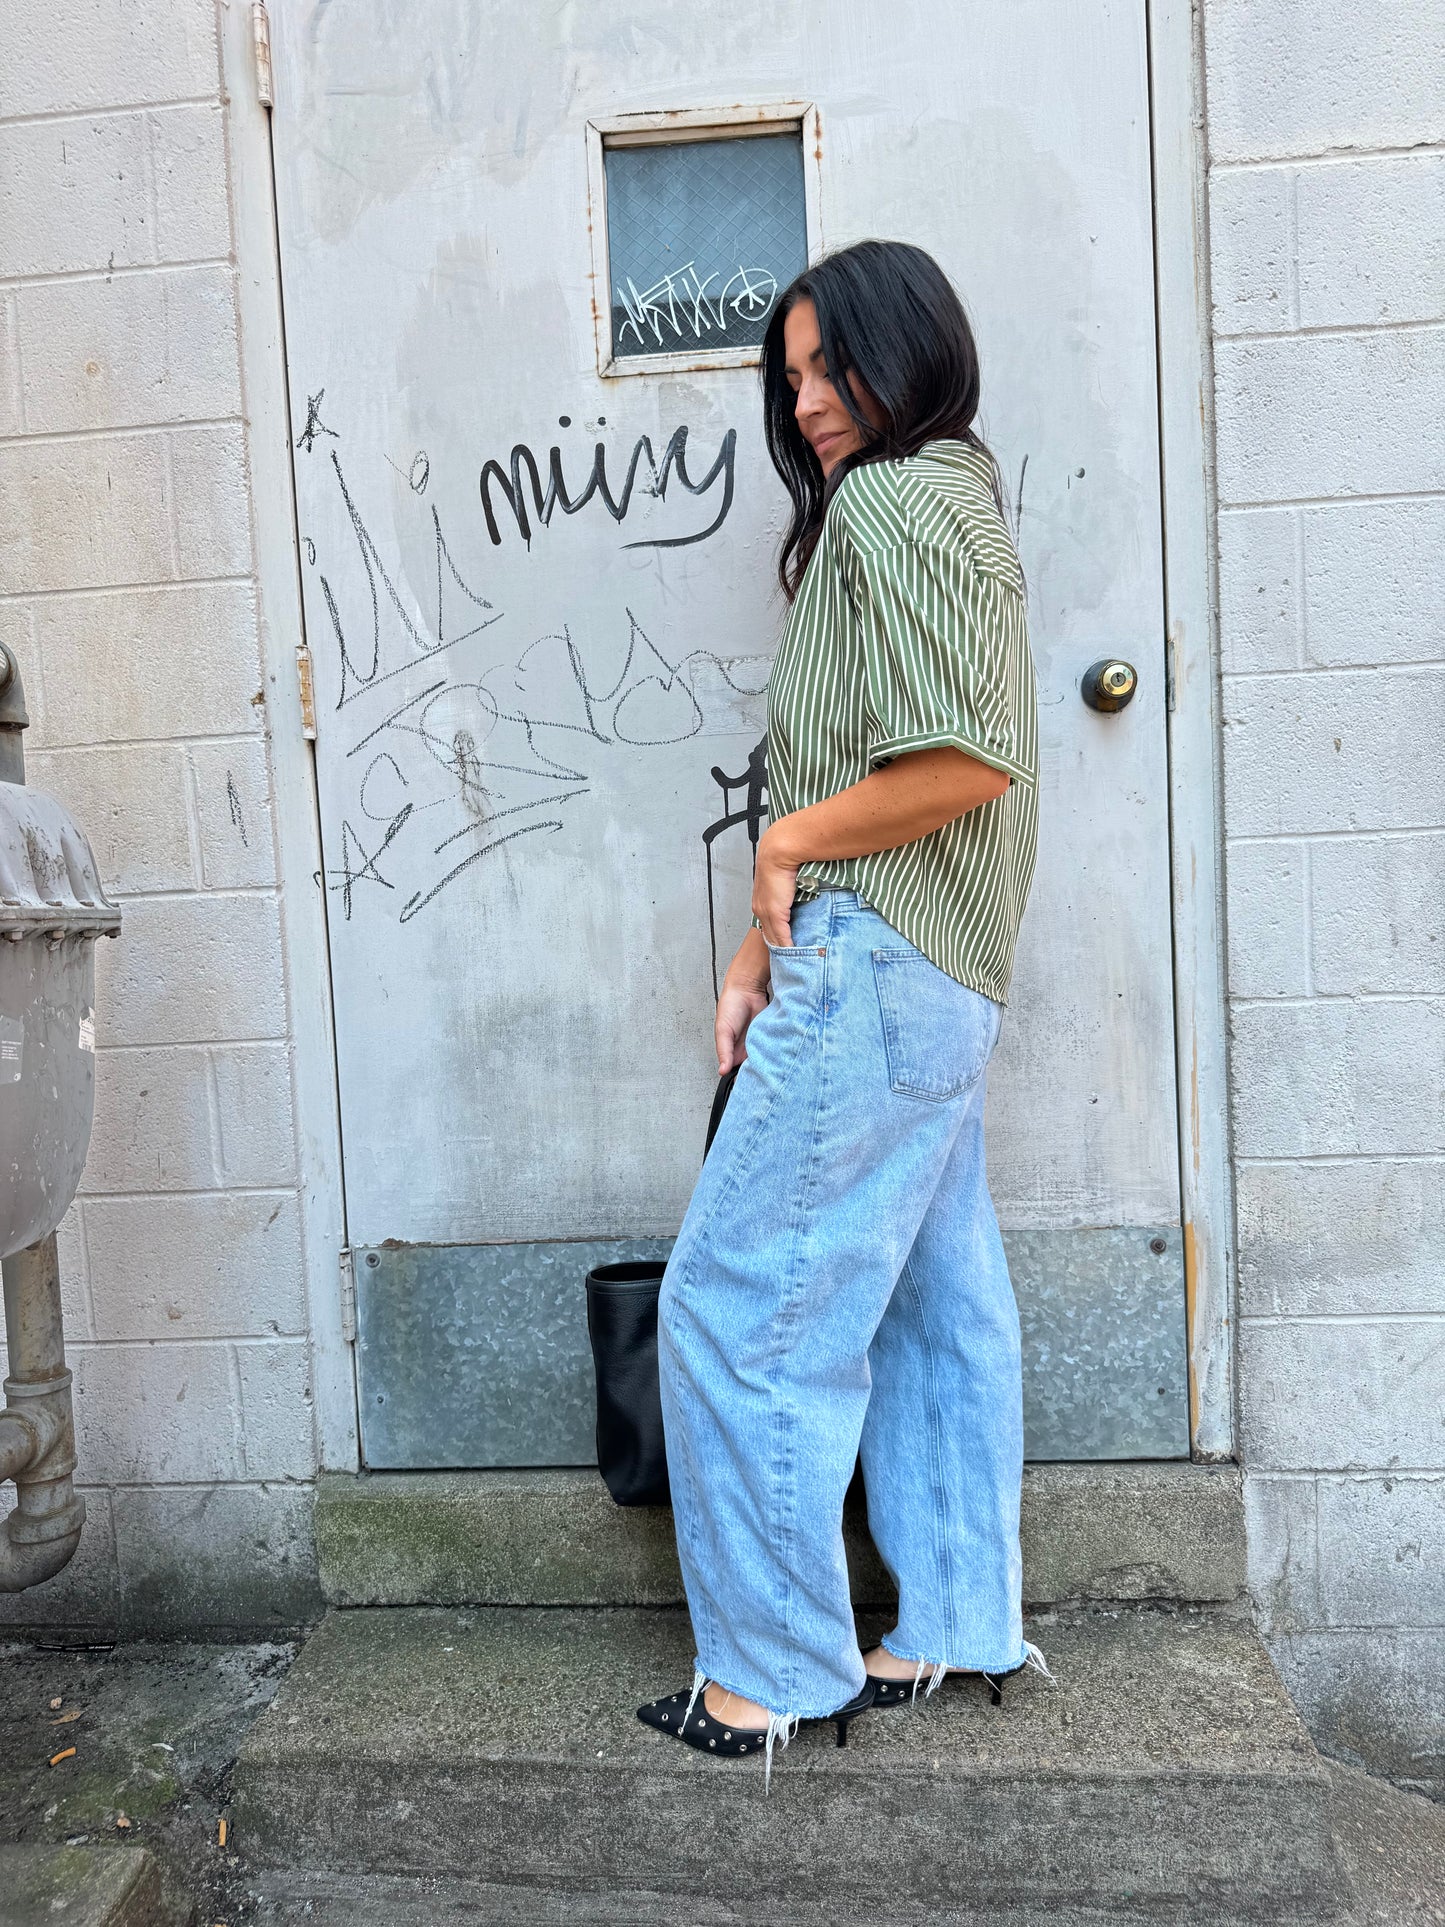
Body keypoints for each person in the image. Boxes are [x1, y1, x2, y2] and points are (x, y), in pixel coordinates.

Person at [638, 240, 1044, 1778]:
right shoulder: (950, 500)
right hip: (929, 978)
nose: (809, 402)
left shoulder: (892, 497)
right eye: (790, 375)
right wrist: (757, 950)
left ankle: (772, 1673)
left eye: (833, 365)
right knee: (935, 1310)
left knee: (733, 1308)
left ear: (910, 347)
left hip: (876, 965)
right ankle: (949, 1618)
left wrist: (780, 855)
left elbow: (962, 764)